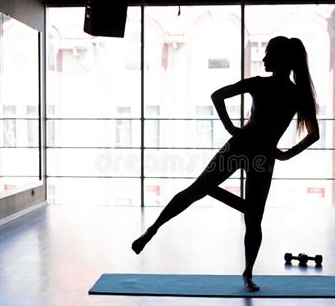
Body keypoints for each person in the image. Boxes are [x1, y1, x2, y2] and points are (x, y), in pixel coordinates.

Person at [132, 36, 320, 292]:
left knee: (245, 215)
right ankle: (152, 229)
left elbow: (313, 133)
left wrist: (239, 131)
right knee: (242, 212)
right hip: (251, 150)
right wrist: (282, 152)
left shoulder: (290, 93)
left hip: (252, 151)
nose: (263, 59)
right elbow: (217, 95)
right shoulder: (275, 88)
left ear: (282, 60)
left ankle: (247, 273)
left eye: (268, 55)